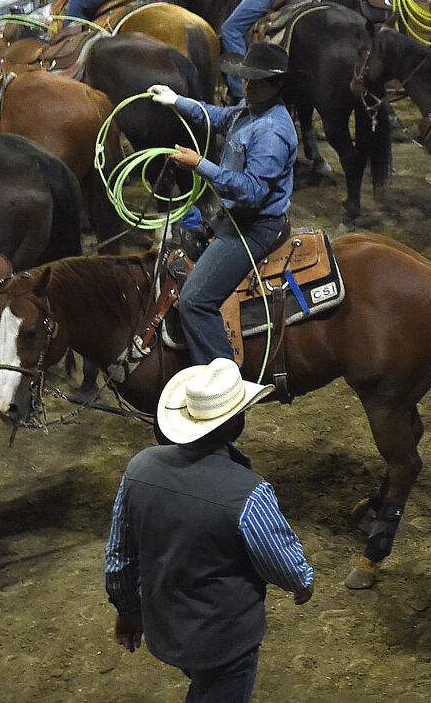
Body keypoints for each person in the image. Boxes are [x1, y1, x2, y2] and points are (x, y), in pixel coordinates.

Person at [105, 359, 314, 703]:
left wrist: (128, 609)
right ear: (235, 422)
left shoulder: (137, 469)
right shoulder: (250, 492)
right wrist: (302, 581)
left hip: (167, 630)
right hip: (226, 642)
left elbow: (119, 559)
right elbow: (283, 563)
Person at [148, 42, 299, 364]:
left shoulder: (272, 131)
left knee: (195, 300)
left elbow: (252, 191)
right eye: (246, 78)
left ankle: (222, 375)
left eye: (257, 81)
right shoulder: (250, 112)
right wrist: (178, 101)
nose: (247, 85)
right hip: (235, 218)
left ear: (278, 85)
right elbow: (217, 117)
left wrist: (199, 164)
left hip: (255, 226)